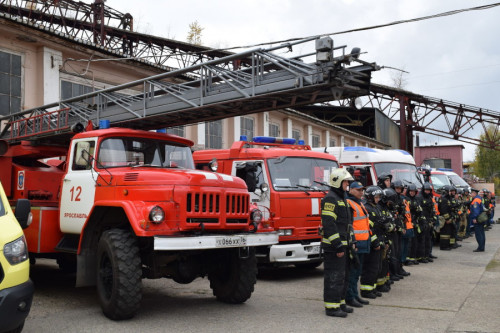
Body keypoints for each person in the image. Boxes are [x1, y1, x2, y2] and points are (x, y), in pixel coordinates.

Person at [321, 168, 354, 318]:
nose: (348, 184)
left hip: (344, 246)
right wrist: (338, 245)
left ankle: (340, 302)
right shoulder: (331, 198)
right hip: (334, 247)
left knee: (343, 276)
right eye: (346, 181)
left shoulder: (342, 199)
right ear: (338, 182)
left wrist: (351, 242)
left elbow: (347, 224)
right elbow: (329, 224)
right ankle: (332, 307)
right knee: (334, 276)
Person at [346, 181, 373, 308]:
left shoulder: (359, 203)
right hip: (356, 243)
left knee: (357, 272)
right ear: (351, 190)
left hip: (364, 242)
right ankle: (350, 297)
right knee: (352, 272)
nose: (361, 192)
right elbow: (349, 225)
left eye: (362, 190)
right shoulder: (349, 203)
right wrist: (353, 243)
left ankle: (355, 295)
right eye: (358, 190)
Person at [360, 185, 384, 299]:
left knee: (376, 267)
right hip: (372, 243)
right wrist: (375, 243)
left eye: (379, 197)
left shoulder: (376, 207)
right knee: (369, 267)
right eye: (377, 197)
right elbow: (369, 229)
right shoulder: (367, 208)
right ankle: (366, 290)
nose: (378, 199)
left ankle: (372, 288)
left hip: (379, 240)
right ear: (370, 197)